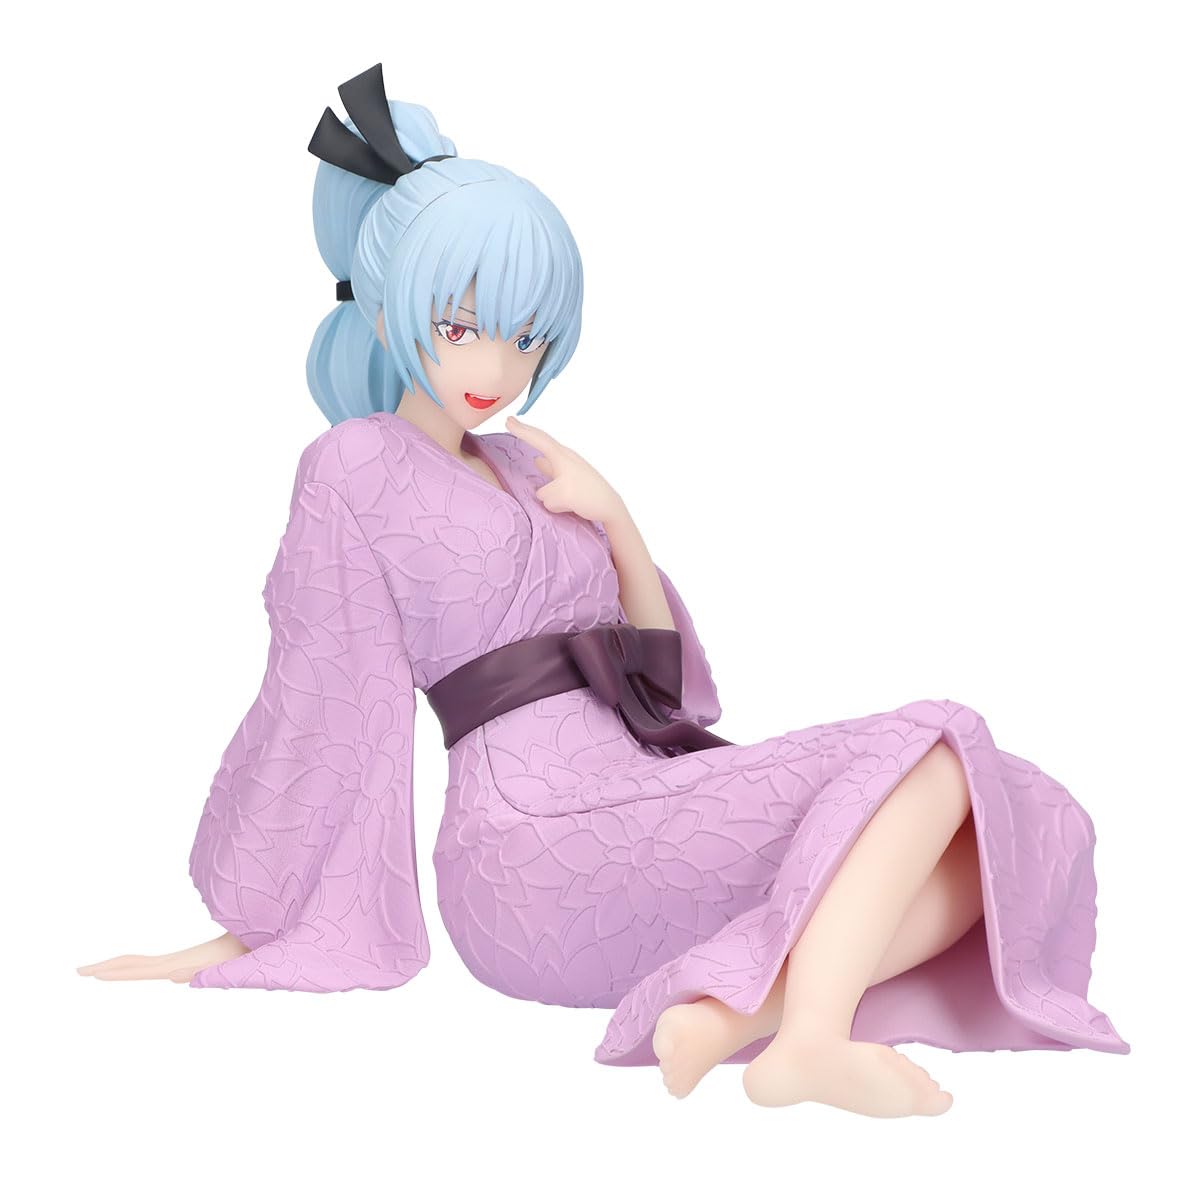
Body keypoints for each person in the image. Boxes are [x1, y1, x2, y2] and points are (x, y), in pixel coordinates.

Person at [77, 63, 1129, 1117]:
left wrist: (619, 521)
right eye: (461, 326)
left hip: (640, 791)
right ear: (392, 310)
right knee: (939, 743)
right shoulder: (353, 465)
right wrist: (262, 921)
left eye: (526, 336)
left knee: (1019, 806)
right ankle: (808, 1040)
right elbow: (322, 695)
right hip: (526, 851)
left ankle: (738, 1019)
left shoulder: (532, 464)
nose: (498, 367)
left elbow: (660, 693)